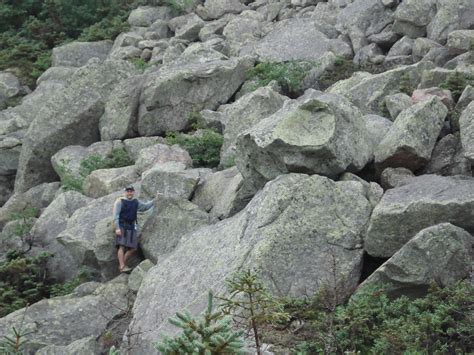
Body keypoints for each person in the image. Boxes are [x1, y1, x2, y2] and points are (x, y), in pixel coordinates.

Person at [113, 185, 154, 273]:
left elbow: (145, 207)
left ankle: (122, 265)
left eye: (131, 191)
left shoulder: (136, 202)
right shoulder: (119, 202)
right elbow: (116, 216)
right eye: (128, 191)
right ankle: (122, 266)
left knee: (133, 248)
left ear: (133, 192)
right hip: (122, 225)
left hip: (131, 226)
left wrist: (155, 200)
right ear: (125, 192)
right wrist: (117, 228)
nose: (129, 193)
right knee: (122, 246)